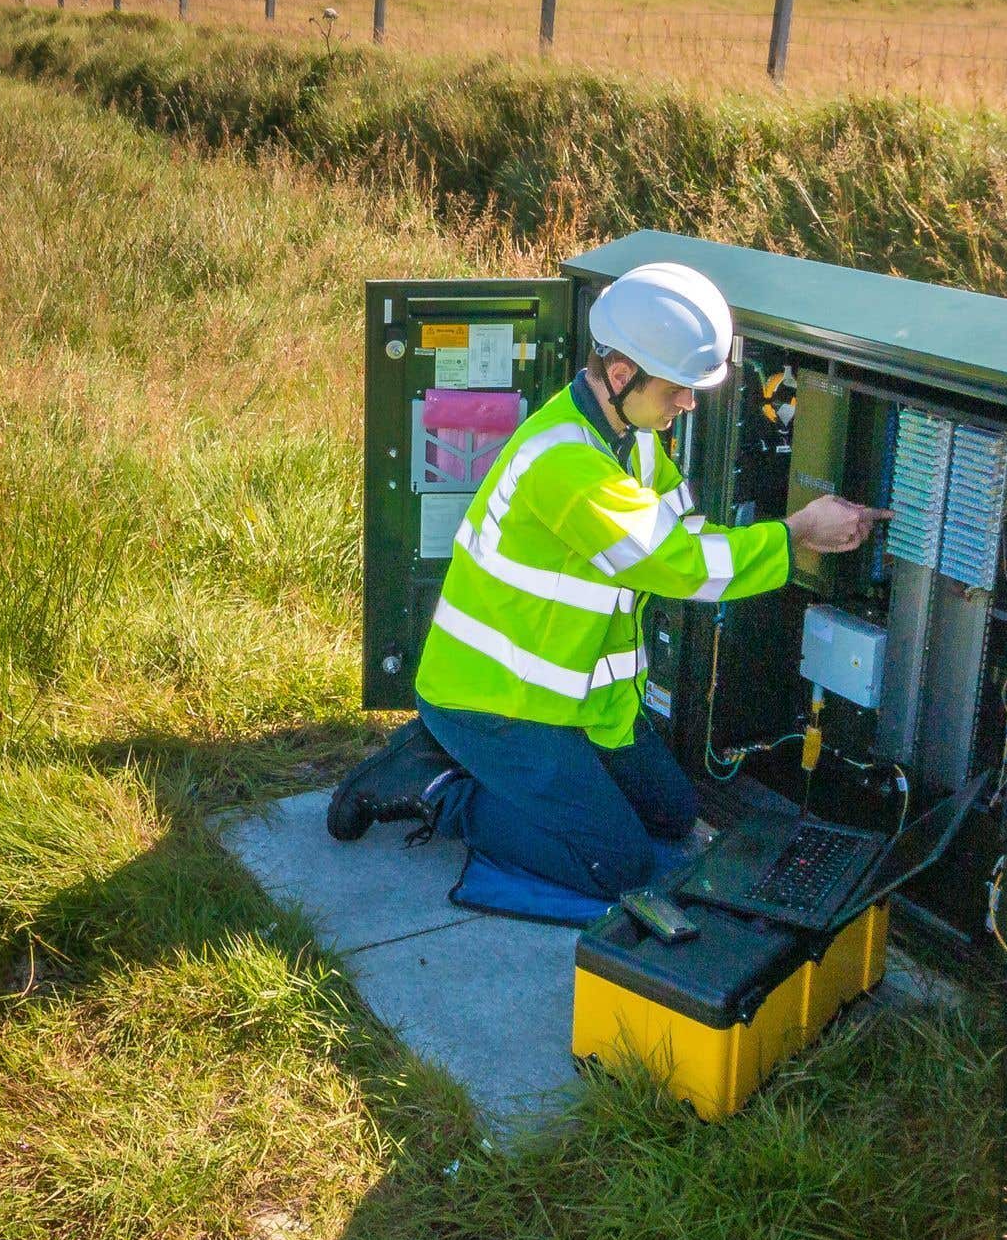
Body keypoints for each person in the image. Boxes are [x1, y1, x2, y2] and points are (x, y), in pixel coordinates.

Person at [328, 261, 886, 918]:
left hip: (584, 704)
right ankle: (441, 783)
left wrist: (775, 534)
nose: (688, 404)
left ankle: (486, 772)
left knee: (672, 815)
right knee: (617, 866)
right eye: (678, 389)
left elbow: (685, 532)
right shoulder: (566, 463)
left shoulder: (634, 439)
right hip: (495, 704)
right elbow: (676, 561)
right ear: (621, 375)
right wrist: (794, 534)